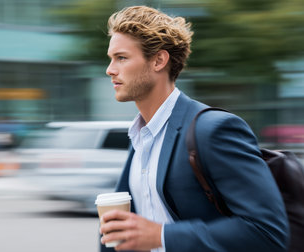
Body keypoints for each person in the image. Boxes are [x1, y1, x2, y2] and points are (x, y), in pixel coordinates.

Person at [99, 5, 289, 252]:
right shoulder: (138, 136)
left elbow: (268, 232)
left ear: (158, 60)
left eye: (121, 58)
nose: (110, 69)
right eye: (111, 59)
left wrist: (162, 236)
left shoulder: (214, 130)